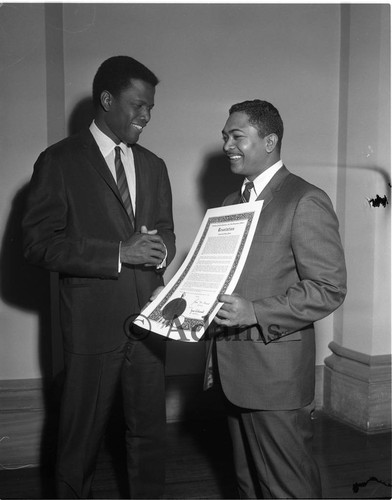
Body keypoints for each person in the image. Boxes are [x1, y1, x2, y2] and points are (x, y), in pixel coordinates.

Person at [22, 56, 176, 499]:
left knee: (149, 435)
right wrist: (118, 253)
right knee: (80, 439)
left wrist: (160, 248)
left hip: (150, 322)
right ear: (107, 100)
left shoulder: (154, 164)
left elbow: (164, 230)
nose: (146, 116)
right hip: (91, 326)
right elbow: (37, 244)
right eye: (138, 105)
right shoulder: (59, 161)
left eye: (151, 107)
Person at [204, 100, 347, 499]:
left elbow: (329, 287)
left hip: (275, 379)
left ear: (270, 141)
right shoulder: (230, 204)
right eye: (224, 137)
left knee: (288, 488)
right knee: (249, 485)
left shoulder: (305, 199)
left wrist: (256, 311)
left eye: (237, 136)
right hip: (232, 372)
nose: (227, 145)